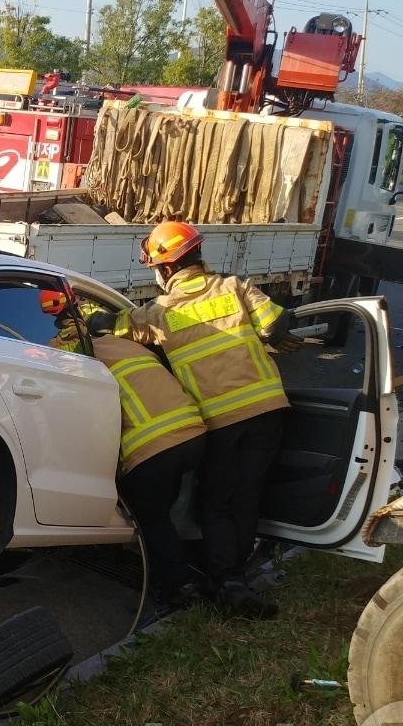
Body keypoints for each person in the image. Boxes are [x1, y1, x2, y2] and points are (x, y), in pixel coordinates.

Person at [90, 220, 300, 618]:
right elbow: (277, 324)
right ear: (198, 256)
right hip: (270, 409)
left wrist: (88, 317)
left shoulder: (159, 313)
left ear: (166, 268)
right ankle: (236, 575)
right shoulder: (236, 288)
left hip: (222, 421)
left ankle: (229, 585)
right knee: (247, 497)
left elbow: (111, 327)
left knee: (216, 505)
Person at [49, 295, 206, 609]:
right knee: (172, 507)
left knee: (152, 517)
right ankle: (200, 567)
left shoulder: (65, 348)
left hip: (151, 444)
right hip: (193, 432)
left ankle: (176, 588)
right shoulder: (125, 341)